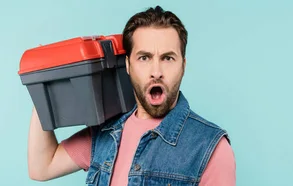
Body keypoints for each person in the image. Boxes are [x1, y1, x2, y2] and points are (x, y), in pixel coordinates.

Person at [26, 5, 235, 186]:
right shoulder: (104, 132)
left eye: (168, 58)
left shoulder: (211, 147)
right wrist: (45, 83)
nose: (156, 71)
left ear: (183, 66)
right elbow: (42, 167)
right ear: (127, 65)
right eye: (144, 57)